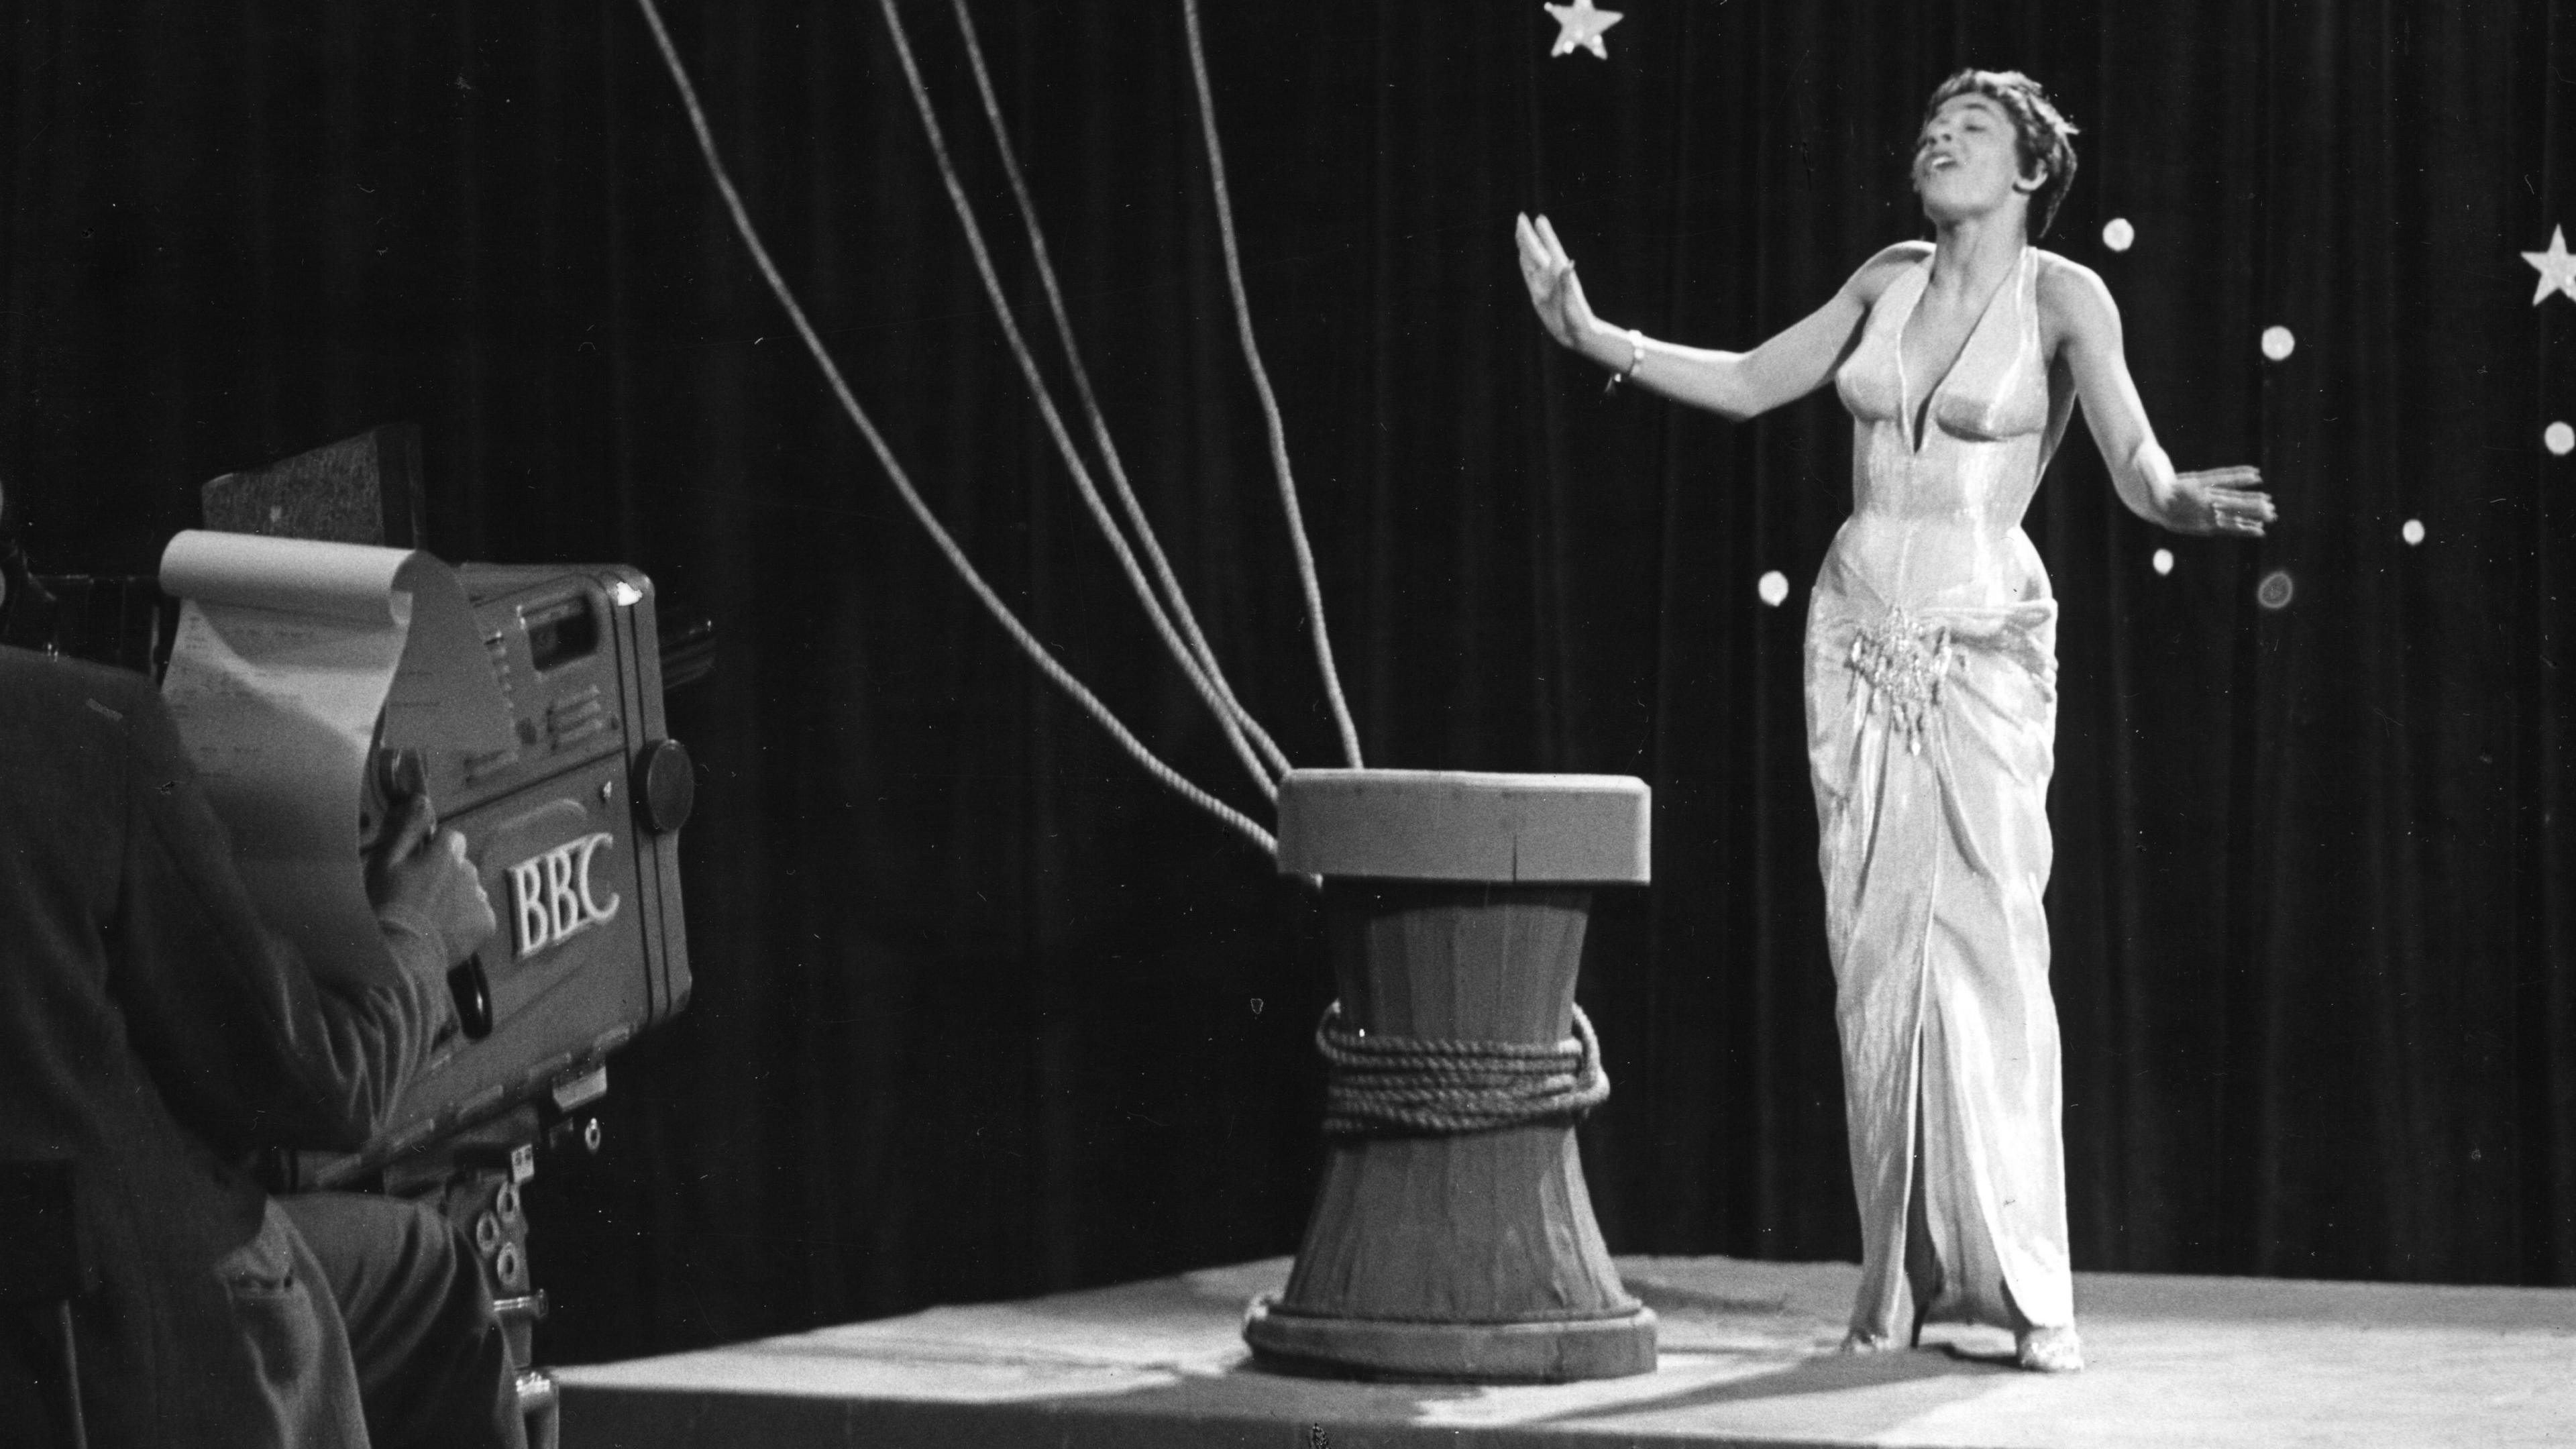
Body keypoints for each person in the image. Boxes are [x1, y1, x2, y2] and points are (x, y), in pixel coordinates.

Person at [1515, 69, 2274, 1373]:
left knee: (1986, 946)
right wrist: (1597, 336)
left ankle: (2030, 1291)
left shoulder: (2066, 297)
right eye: (1932, 126)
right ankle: (1893, 1282)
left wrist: (2182, 504)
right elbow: (1757, 379)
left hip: (1981, 642)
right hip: (1854, 633)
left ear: (2030, 167)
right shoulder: (1885, 276)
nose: (1939, 139)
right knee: (1874, 955)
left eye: (1970, 129)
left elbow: (2139, 467)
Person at [0, 478, 525, 1446]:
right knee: (434, 1270)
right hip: (103, 1346)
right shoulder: (85, 724)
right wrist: (418, 934)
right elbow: (327, 1086)